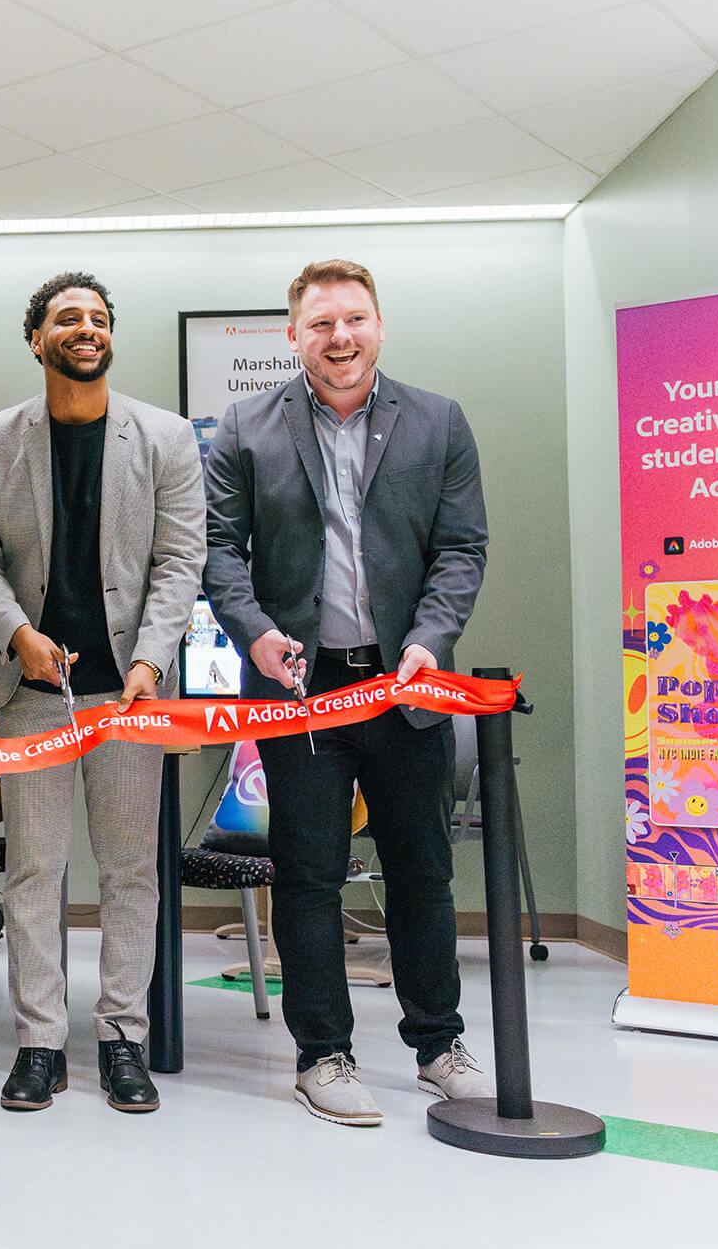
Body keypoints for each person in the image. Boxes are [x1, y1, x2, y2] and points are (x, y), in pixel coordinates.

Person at [202, 258, 490, 1127]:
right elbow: (220, 552)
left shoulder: (439, 422)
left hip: (405, 685)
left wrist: (429, 641)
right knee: (309, 877)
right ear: (293, 335)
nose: (341, 337)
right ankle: (322, 1054)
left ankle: (438, 1043)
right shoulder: (245, 429)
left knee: (423, 874)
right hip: (300, 694)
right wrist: (253, 630)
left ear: (379, 326)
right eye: (322, 323)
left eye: (355, 319)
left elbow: (461, 550)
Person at [0, 271, 205, 1114]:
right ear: (38, 339)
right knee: (34, 871)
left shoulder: (166, 439)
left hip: (130, 695)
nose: (85, 328)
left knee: (132, 871)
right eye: (68, 318)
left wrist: (152, 660)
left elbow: (179, 563)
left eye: (98, 318)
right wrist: (16, 633)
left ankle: (122, 1035)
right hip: (34, 696)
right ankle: (40, 1044)